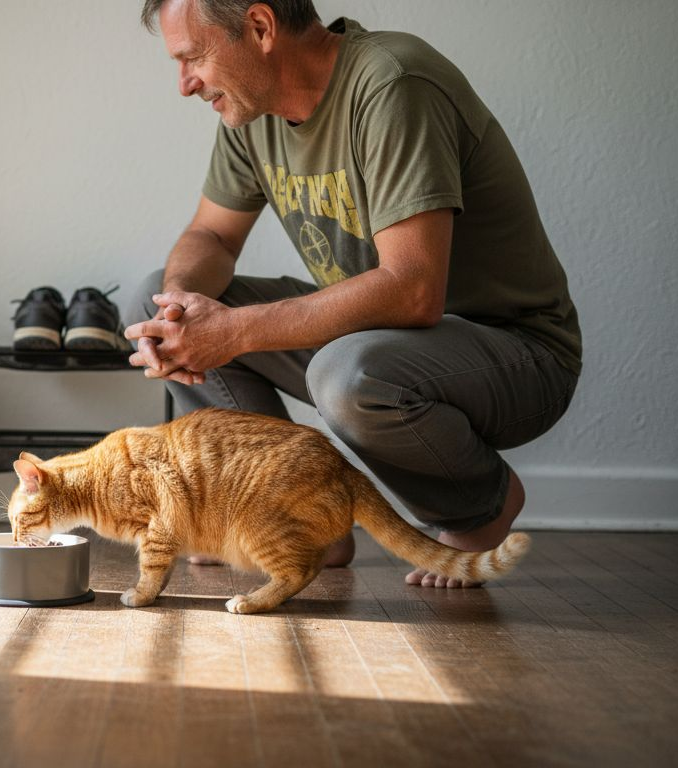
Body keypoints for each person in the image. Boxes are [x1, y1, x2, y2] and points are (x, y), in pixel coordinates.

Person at [124, 0, 581, 587]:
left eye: (193, 58)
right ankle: (297, 523)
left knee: (346, 374)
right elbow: (211, 234)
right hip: (381, 340)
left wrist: (233, 331)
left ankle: (480, 505)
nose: (186, 84)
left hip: (515, 354)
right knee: (151, 300)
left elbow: (413, 290)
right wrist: (178, 309)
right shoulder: (251, 111)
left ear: (260, 28)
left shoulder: (393, 83)